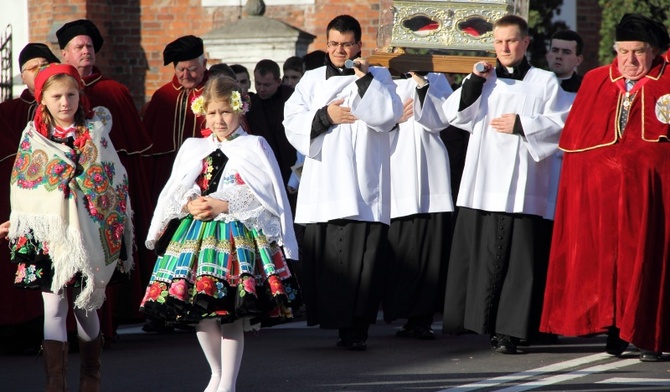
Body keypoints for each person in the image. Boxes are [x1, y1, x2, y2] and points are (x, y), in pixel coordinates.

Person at [416, 14, 570, 354]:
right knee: (483, 255)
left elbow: (561, 123)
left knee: (519, 262)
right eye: (499, 42)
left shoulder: (544, 82)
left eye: (511, 41)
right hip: (484, 180)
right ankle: (478, 322)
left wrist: (523, 124)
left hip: (523, 187)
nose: (504, 47)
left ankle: (511, 331)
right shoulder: (484, 78)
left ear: (526, 42)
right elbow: (453, 115)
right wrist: (472, 81)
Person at [140, 75, 300, 392]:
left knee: (231, 313)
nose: (219, 120)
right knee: (202, 312)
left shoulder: (254, 146)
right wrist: (190, 203)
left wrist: (224, 203)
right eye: (212, 113)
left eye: (225, 112)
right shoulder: (193, 147)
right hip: (197, 238)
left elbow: (266, 193)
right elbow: (177, 189)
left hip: (237, 237)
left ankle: (228, 383)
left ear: (239, 110)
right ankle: (215, 373)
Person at [540, 13, 670, 362]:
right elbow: (579, 146)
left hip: (652, 197)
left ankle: (647, 333)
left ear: (654, 51)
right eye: (623, 51)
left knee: (646, 261)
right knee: (608, 264)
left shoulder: (668, 81)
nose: (629, 60)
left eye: (638, 52)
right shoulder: (597, 80)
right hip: (605, 197)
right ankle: (615, 326)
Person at [7, 63, 133, 391]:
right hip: (50, 236)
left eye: (71, 95)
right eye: (57, 96)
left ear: (80, 95)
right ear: (43, 99)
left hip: (88, 230)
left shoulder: (95, 130)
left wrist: (84, 191)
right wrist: (23, 216)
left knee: (85, 303)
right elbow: (24, 182)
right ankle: (55, 382)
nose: (65, 102)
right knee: (53, 305)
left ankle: (91, 375)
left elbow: (112, 178)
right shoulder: (32, 136)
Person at [283, 14, 403, 351]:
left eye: (346, 44)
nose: (339, 50)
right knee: (329, 262)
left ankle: (357, 329)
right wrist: (325, 116)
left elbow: (387, 116)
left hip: (365, 186)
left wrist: (364, 81)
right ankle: (336, 321)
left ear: (358, 45)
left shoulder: (378, 76)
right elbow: (291, 121)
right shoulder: (310, 80)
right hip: (327, 183)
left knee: (364, 263)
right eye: (334, 44)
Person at [57, 19, 155, 339]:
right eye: (79, 47)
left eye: (89, 47)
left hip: (109, 192)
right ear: (64, 53)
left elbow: (133, 154)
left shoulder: (114, 91)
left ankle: (103, 334)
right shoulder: (57, 93)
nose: (86, 52)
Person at [383, 72, 454, 340]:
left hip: (429, 174)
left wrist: (423, 86)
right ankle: (401, 311)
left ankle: (422, 318)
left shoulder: (435, 78)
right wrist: (392, 117)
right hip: (394, 170)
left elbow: (443, 119)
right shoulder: (379, 77)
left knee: (428, 250)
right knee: (399, 250)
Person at [0, 43, 60, 354]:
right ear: (22, 75)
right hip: (25, 206)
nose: (39, 72)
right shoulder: (9, 111)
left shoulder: (66, 107)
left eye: (45, 64)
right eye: (32, 67)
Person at [143, 35, 210, 204]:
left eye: (192, 69)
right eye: (181, 69)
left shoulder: (215, 92)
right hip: (165, 175)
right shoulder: (163, 96)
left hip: (204, 173)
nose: (186, 75)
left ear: (204, 64)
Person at [247, 59, 297, 185]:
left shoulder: (292, 99)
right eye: (258, 84)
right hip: (266, 167)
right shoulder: (251, 105)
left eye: (267, 85)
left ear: (278, 81)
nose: (262, 89)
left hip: (292, 162)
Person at [546, 29, 584, 94]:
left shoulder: (585, 88)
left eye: (566, 52)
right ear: (547, 55)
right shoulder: (535, 83)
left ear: (578, 60)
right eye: (555, 50)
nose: (559, 56)